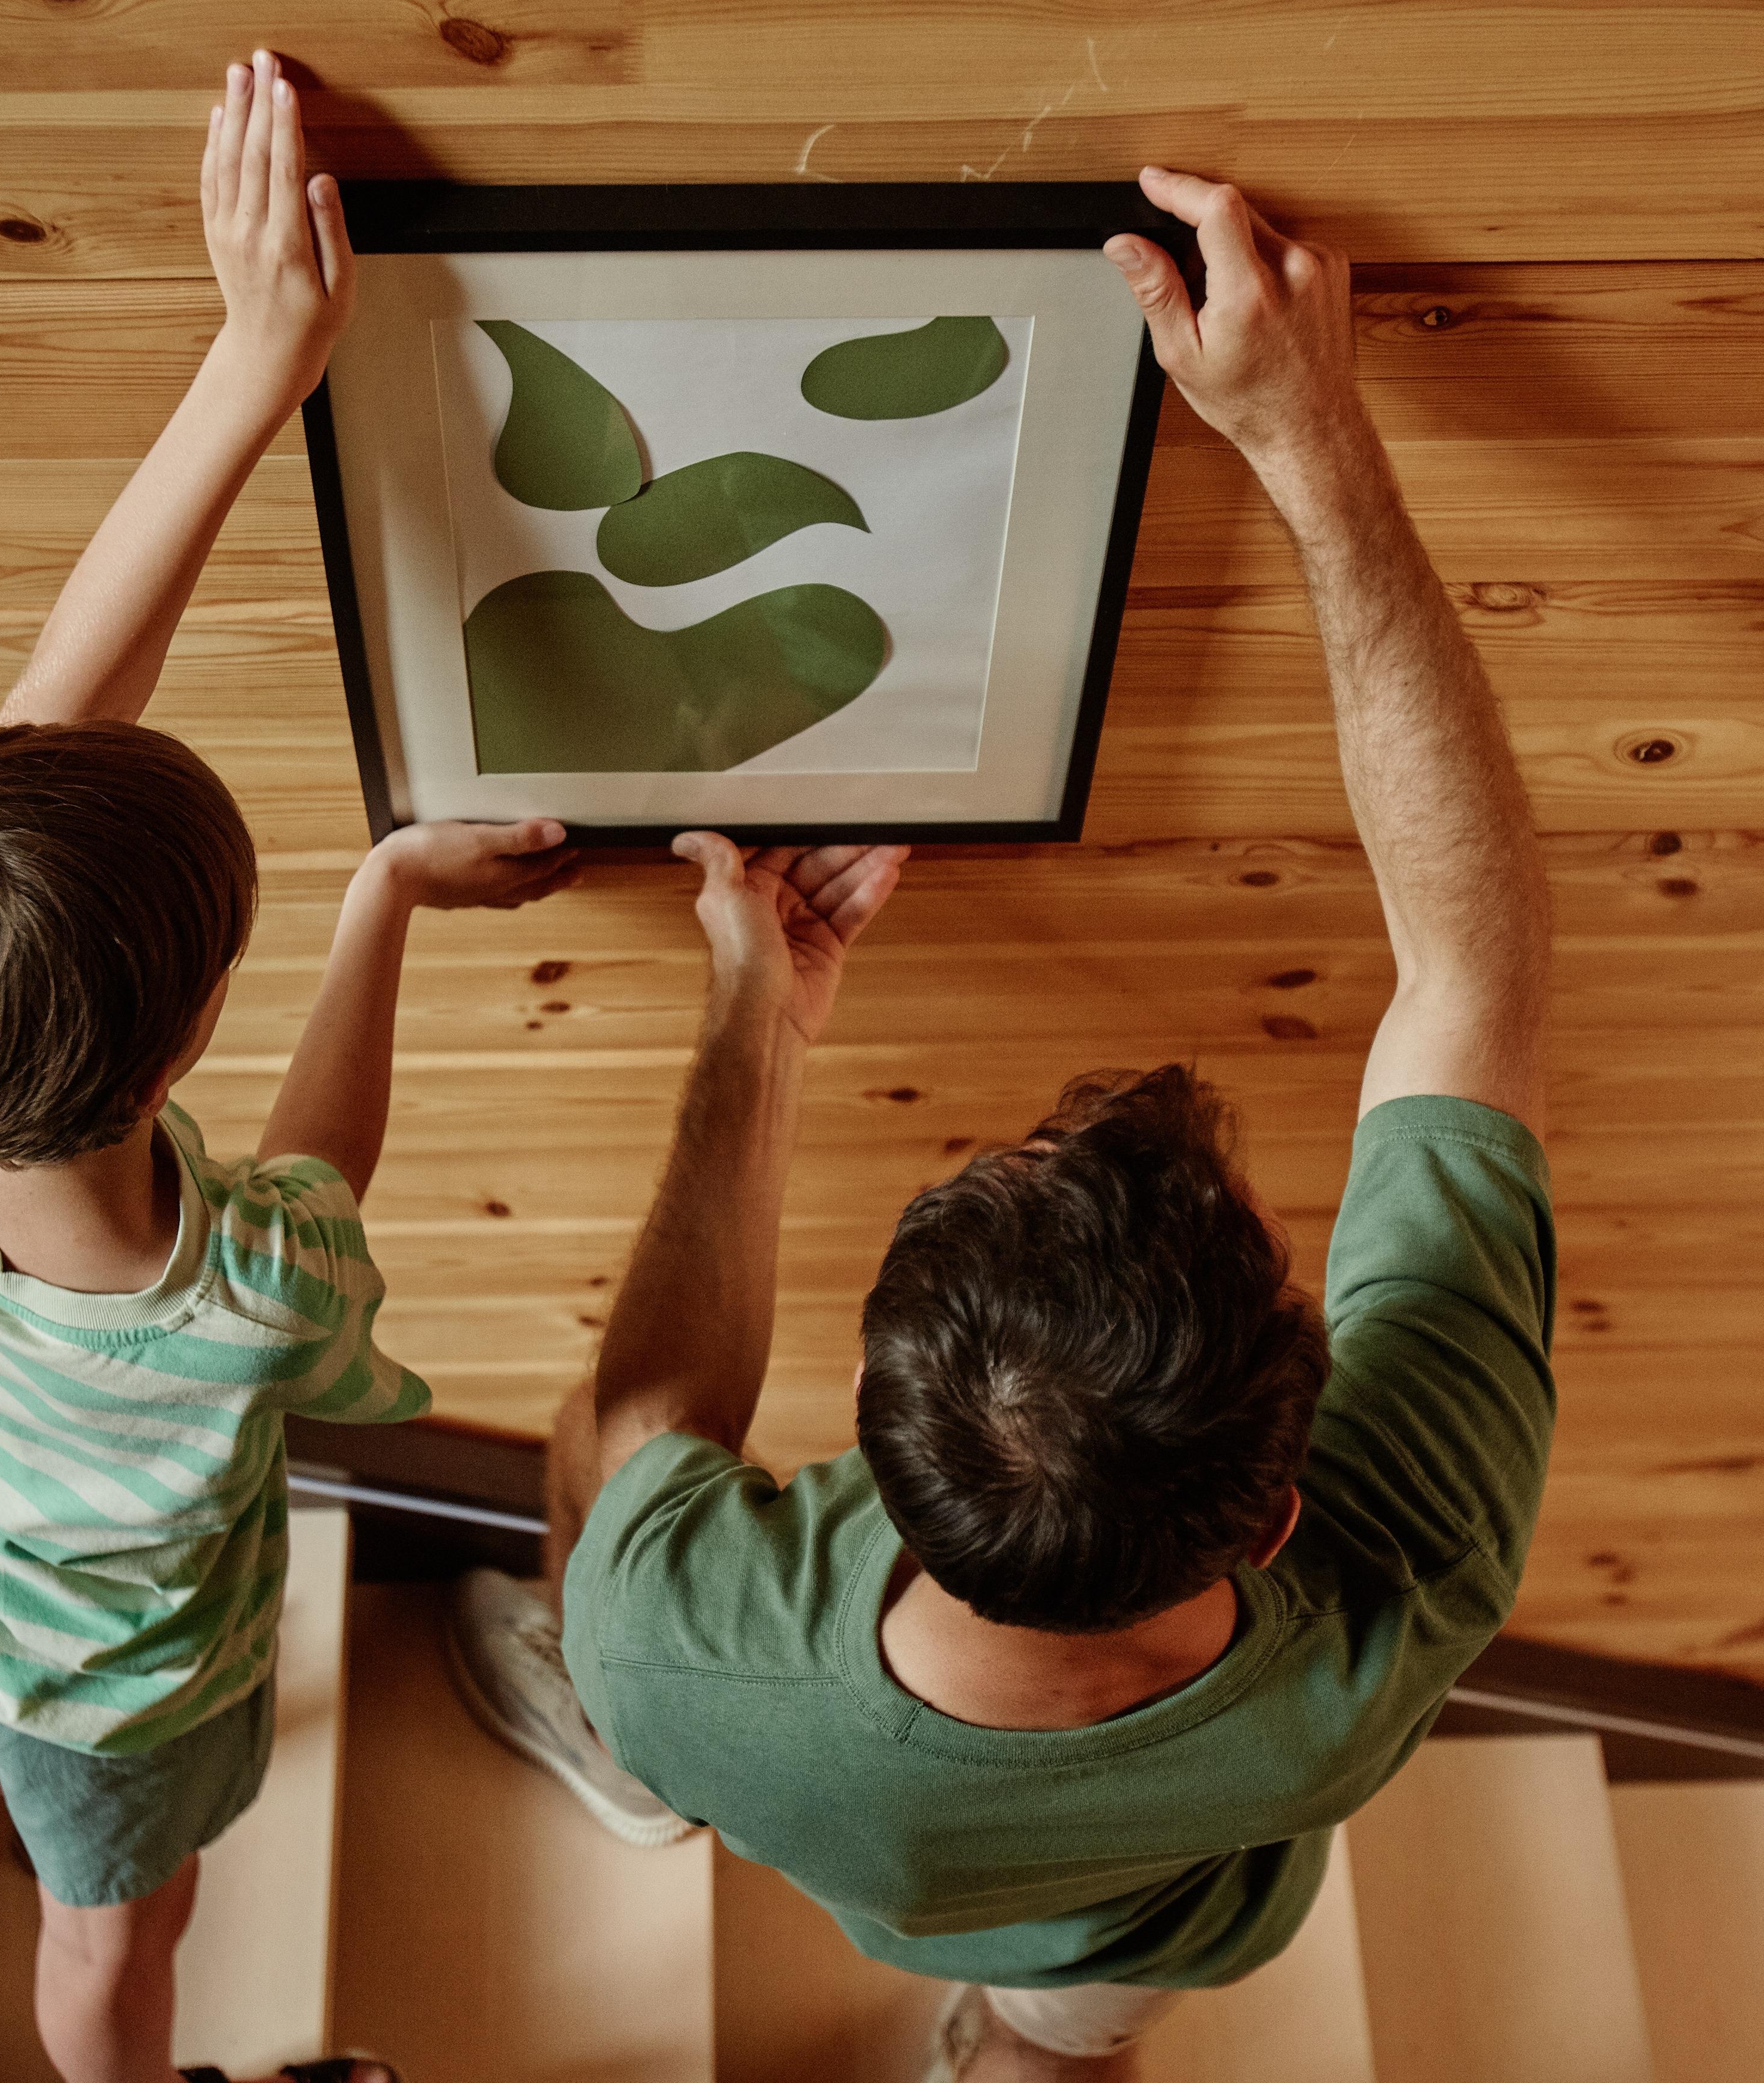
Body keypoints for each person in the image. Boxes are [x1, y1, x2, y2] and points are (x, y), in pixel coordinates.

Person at [447, 165, 1556, 2080]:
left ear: (873, 1453)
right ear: (1278, 1507)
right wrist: (1310, 444)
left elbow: (640, 1424)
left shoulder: (674, 1646)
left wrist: (754, 1008)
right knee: (1069, 2032)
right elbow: (1468, 974)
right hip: (1174, 1908)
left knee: (599, 1551)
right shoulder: (1403, 1585)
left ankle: (623, 1779)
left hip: (800, 1802)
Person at [0, 53, 575, 2083]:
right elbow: (319, 1174)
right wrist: (385, 895)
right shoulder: (245, 1298)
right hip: (126, 1698)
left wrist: (255, 360)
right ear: (188, 1037)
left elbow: (52, 725)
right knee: (114, 1936)